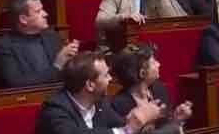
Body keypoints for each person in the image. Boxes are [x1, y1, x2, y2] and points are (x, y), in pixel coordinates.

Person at [34, 52, 164, 134]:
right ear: (90, 85)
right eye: (106, 75)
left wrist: (137, 118)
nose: (110, 79)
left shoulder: (100, 103)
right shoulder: (55, 110)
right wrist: (127, 130)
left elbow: (121, 125)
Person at [0, 0, 79, 88]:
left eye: (43, 10)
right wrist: (57, 66)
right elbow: (16, 83)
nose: (45, 14)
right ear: (23, 19)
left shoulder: (51, 36)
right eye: (38, 11)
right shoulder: (4, 46)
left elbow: (67, 73)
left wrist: (72, 60)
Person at [110, 43, 192, 133]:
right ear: (142, 73)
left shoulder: (159, 90)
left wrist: (176, 119)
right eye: (153, 62)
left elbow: (167, 127)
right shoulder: (119, 105)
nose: (159, 64)